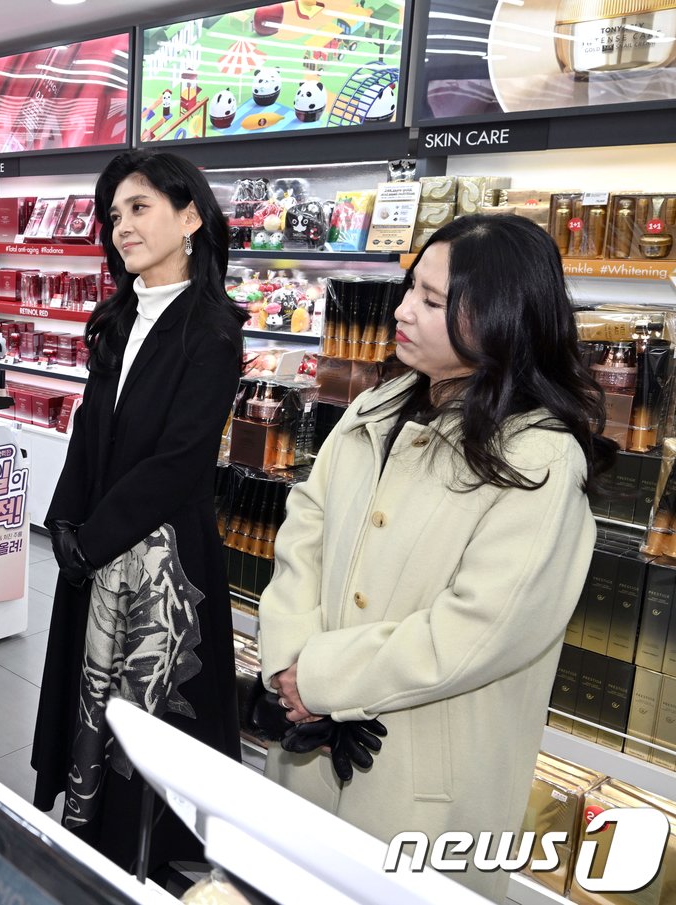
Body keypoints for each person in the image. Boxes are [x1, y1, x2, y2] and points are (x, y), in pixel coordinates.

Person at [257, 214, 615, 902]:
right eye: (408, 289)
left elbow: (475, 630)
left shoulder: (538, 461)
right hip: (313, 743)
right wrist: (287, 661)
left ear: (502, 317)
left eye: (430, 299)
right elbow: (304, 529)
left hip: (424, 788)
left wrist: (321, 677)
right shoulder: (376, 408)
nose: (400, 311)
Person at [31, 149, 247, 874]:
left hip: (162, 570)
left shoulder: (212, 329)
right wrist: (62, 521)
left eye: (140, 207)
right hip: (95, 548)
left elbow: (180, 460)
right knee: (86, 703)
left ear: (190, 217)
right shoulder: (118, 316)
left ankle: (143, 862)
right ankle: (88, 846)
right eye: (115, 212)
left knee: (151, 719)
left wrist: (91, 538)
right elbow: (89, 429)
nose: (122, 224)